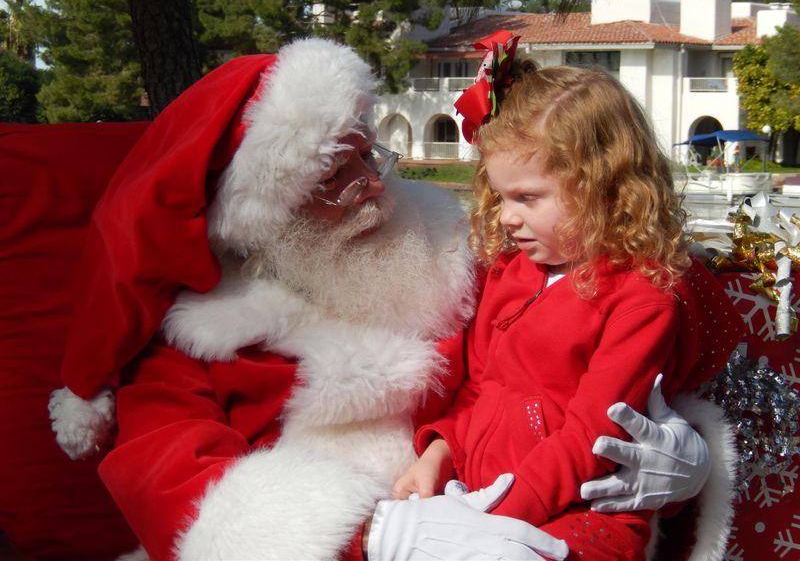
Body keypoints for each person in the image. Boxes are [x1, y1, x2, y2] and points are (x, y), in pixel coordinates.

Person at [43, 37, 736, 560]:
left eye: (366, 156)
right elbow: (176, 480)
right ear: (264, 210)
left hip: (509, 505)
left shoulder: (457, 244)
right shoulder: (196, 333)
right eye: (332, 175)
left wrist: (681, 453)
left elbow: (653, 298)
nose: (371, 186)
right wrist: (378, 534)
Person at [383, 50, 743, 560]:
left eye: (528, 198)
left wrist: (494, 519)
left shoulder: (641, 299)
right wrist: (438, 455)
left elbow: (592, 435)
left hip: (581, 517)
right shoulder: (511, 274)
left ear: (605, 188)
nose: (507, 217)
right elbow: (481, 389)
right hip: (479, 498)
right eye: (501, 196)